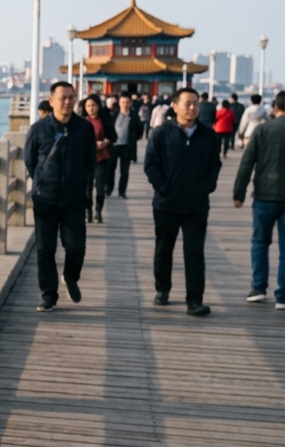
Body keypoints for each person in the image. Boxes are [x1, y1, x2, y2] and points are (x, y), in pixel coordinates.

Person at [144, 87, 222, 316]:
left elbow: (214, 165)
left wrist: (207, 186)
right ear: (175, 106)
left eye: (196, 103)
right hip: (166, 203)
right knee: (163, 249)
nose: (192, 107)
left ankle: (195, 300)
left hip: (196, 204)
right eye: (187, 103)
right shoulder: (160, 133)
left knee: (194, 252)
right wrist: (164, 187)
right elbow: (151, 165)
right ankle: (162, 289)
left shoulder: (208, 135)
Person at [26, 81, 97, 312]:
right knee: (45, 249)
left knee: (76, 246)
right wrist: (42, 181)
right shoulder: (38, 129)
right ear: (52, 99)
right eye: (62, 98)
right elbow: (30, 161)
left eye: (71, 98)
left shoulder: (84, 128)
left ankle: (70, 276)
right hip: (45, 198)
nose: (67, 102)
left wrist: (85, 188)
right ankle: (48, 295)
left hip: (74, 198)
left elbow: (90, 162)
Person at [233, 91, 285, 309]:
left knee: (260, 242)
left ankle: (258, 287)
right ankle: (282, 296)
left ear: (275, 107)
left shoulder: (263, 130)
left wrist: (239, 193)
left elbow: (247, 163)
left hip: (264, 195)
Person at [82, 95, 117, 223]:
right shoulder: (81, 122)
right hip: (86, 159)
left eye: (93, 105)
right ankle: (88, 212)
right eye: (88, 106)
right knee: (87, 189)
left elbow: (113, 135)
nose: (91, 108)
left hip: (102, 157)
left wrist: (105, 142)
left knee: (100, 188)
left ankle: (98, 211)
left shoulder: (105, 120)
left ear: (98, 106)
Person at [112, 93, 144, 199]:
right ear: (119, 103)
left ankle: (122, 192)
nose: (125, 105)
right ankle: (109, 187)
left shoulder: (134, 116)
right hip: (114, 146)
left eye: (127, 102)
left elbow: (140, 130)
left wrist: (133, 138)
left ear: (130, 103)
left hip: (127, 146)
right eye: (122, 102)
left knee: (124, 171)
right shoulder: (113, 114)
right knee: (110, 169)